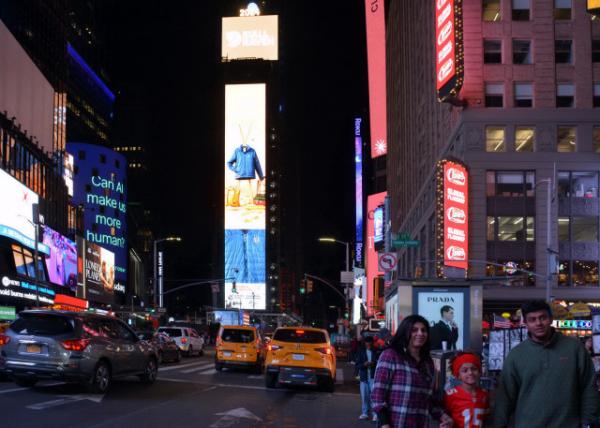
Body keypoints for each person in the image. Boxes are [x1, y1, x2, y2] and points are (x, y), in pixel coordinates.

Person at [493, 300, 599, 428]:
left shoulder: (574, 348)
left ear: (550, 319)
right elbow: (505, 397)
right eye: (532, 319)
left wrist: (588, 422)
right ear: (525, 323)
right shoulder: (516, 355)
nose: (538, 323)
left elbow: (589, 387)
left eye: (542, 318)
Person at [371, 314, 454, 427]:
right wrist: (384, 424)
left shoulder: (428, 363)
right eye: (414, 330)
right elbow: (377, 395)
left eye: (423, 330)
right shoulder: (390, 355)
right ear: (405, 332)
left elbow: (429, 400)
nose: (420, 333)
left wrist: (443, 416)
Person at [444, 352, 489, 427]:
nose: (470, 373)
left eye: (474, 369)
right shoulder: (450, 395)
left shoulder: (484, 395)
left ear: (480, 372)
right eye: (465, 370)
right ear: (458, 375)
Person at [355, 336, 379, 421]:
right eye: (367, 343)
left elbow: (379, 363)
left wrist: (374, 364)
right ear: (365, 343)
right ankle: (365, 413)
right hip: (364, 377)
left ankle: (375, 414)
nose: (368, 344)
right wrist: (364, 365)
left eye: (370, 343)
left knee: (373, 396)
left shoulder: (376, 351)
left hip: (373, 377)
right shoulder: (361, 352)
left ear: (372, 343)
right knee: (364, 396)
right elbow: (357, 365)